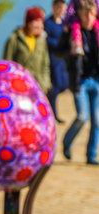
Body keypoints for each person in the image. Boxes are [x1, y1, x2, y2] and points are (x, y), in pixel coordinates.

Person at [62, 0, 99, 165]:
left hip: (96, 80)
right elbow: (60, 50)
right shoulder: (73, 33)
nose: (88, 18)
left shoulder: (98, 33)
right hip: (81, 81)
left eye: (91, 14)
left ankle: (91, 156)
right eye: (85, 15)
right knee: (82, 117)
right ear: (80, 16)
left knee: (97, 120)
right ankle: (67, 143)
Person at [4, 7, 52, 92]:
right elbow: (7, 64)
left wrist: (45, 84)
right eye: (36, 21)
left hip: (38, 87)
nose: (40, 25)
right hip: (19, 86)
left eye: (41, 22)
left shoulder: (41, 41)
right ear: (29, 23)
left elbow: (45, 64)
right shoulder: (14, 39)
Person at [45, 0, 70, 124]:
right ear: (53, 7)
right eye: (58, 7)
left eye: (62, 7)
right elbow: (46, 39)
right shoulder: (47, 23)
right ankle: (52, 114)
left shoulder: (66, 24)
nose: (60, 9)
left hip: (64, 60)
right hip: (53, 59)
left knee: (64, 85)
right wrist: (59, 45)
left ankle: (51, 110)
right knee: (56, 86)